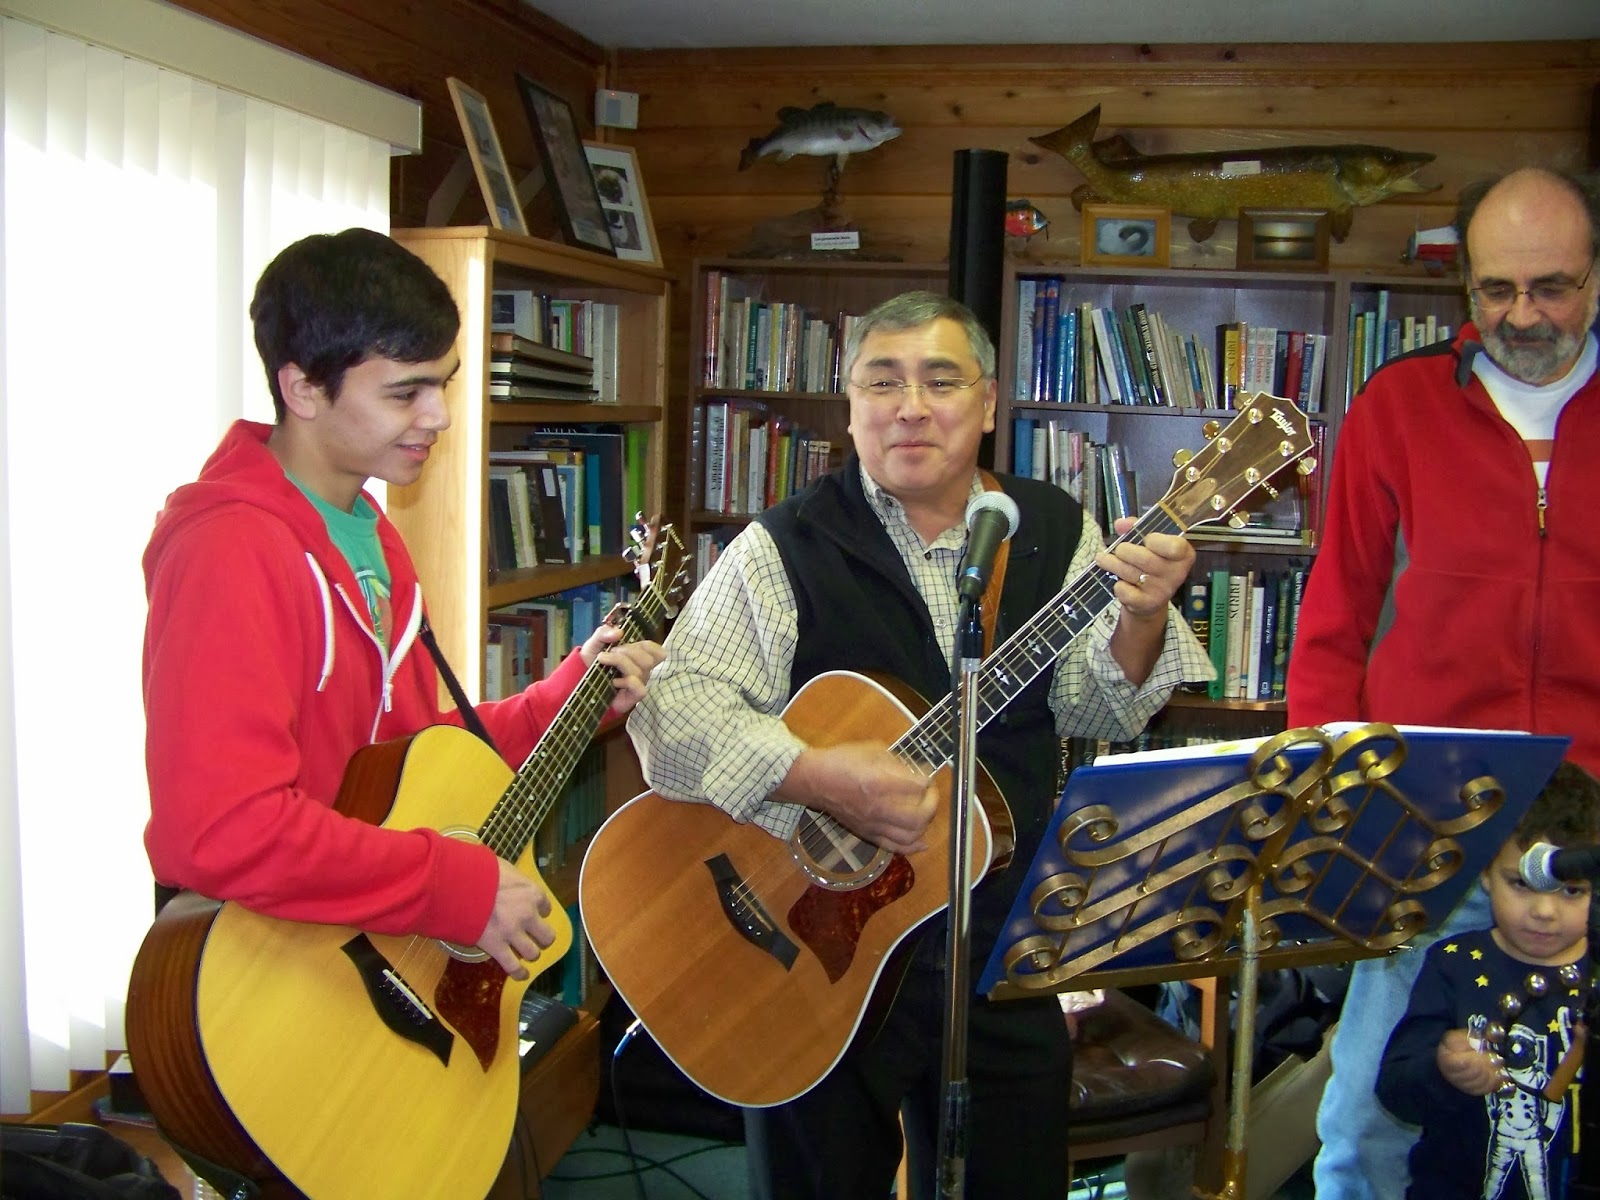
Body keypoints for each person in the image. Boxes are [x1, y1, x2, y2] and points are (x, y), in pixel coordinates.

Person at [625, 290, 1211, 1199]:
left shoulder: (1055, 530)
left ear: (988, 402)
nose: (910, 407)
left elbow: (1102, 708)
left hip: (997, 951)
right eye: (882, 382)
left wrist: (1142, 616)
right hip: (805, 956)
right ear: (849, 404)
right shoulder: (782, 545)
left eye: (941, 381)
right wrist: (815, 774)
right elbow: (673, 719)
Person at [142, 227, 663, 981]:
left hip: (357, 953)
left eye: (443, 383)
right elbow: (221, 830)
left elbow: (408, 764)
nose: (439, 415)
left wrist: (568, 698)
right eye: (405, 392)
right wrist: (455, 888)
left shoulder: (370, 536)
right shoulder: (228, 548)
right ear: (302, 389)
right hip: (273, 977)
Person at [1285, 166, 1600, 1200]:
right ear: (1463, 284)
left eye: (1552, 288)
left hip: (1595, 833)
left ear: (1596, 278)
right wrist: (1330, 793)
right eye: (1496, 289)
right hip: (1425, 826)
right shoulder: (1400, 404)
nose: (1524, 316)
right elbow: (1335, 615)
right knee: (1372, 1121)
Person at [1376, 760, 1600, 1200]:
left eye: (1571, 890)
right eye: (1521, 884)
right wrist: (1443, 1071)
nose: (1544, 911)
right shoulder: (1453, 964)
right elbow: (1395, 1092)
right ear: (1484, 872)